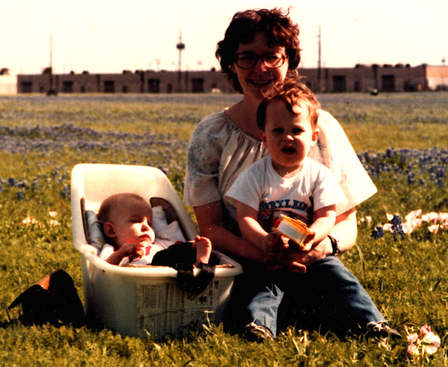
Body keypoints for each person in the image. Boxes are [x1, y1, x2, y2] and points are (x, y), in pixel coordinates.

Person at [183, 8, 398, 339]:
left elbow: (346, 220)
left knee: (337, 285)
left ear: (289, 61)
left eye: (272, 56)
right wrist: (263, 255)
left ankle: (367, 324)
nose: (261, 68)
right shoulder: (211, 134)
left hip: (313, 263)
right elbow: (210, 227)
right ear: (231, 63)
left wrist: (319, 249)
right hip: (246, 270)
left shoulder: (321, 127)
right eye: (247, 57)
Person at [225, 80, 394, 339]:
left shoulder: (319, 176)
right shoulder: (253, 176)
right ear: (264, 136)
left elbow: (327, 216)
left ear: (313, 136)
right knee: (259, 287)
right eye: (278, 130)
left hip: (311, 254)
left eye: (297, 130)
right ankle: (257, 327)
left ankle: (370, 323)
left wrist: (312, 237)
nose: (287, 137)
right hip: (269, 255)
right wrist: (262, 240)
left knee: (340, 278)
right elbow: (245, 216)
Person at [97, 193, 212, 266]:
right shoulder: (112, 251)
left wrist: (192, 246)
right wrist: (120, 255)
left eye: (150, 223)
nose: (146, 227)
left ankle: (200, 262)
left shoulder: (158, 243)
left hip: (173, 273)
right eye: (136, 221)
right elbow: (104, 270)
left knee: (178, 249)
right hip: (144, 275)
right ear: (111, 231)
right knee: (160, 258)